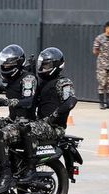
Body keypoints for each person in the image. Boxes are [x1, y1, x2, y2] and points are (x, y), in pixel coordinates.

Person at [0, 44, 38, 194]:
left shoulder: (28, 78)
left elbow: (28, 102)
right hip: (12, 120)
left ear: (17, 63)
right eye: (4, 63)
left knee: (0, 135)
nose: (5, 66)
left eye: (8, 63)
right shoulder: (5, 78)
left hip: (25, 122)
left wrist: (6, 102)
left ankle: (6, 174)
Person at [23, 47, 77, 179]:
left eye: (46, 65)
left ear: (57, 65)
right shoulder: (42, 83)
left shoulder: (63, 82)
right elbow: (29, 101)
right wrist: (28, 74)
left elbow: (70, 101)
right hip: (41, 123)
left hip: (55, 127)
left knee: (26, 129)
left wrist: (53, 117)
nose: (43, 68)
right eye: (42, 64)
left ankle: (31, 169)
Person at [93, 21, 109, 110]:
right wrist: (103, 57)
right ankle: (101, 103)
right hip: (102, 65)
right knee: (102, 83)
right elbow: (95, 51)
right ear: (106, 28)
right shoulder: (99, 38)